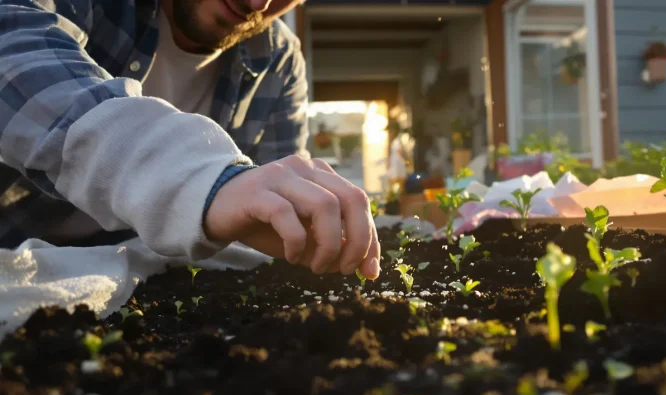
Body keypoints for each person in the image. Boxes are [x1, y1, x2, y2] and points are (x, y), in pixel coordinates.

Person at [0, 0, 381, 280]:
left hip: (126, 278)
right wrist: (204, 182)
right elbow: (13, 50)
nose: (258, 5)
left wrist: (303, 226)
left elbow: (280, 203)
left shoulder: (277, 57)